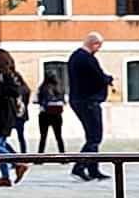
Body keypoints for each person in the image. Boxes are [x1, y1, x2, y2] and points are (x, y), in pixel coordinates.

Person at [68, 32, 113, 181]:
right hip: (88, 101)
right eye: (99, 46)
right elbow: (98, 77)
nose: (98, 49)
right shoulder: (87, 59)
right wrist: (109, 79)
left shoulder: (75, 57)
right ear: (95, 44)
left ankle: (93, 169)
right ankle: (79, 167)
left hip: (79, 100)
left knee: (91, 136)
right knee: (95, 137)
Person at [0, 49, 26, 187]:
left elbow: (14, 91)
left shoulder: (7, 75)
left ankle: (17, 163)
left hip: (4, 114)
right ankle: (6, 175)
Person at [36, 74, 67, 154]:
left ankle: (40, 157)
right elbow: (63, 101)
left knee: (43, 137)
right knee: (59, 137)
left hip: (44, 115)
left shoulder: (43, 88)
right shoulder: (60, 89)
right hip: (57, 115)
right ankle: (63, 156)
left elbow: (39, 100)